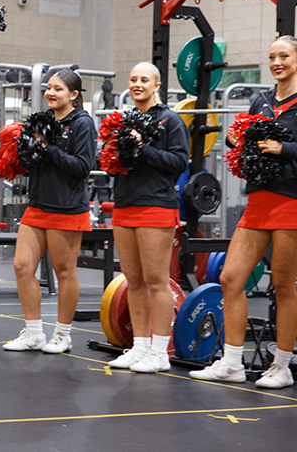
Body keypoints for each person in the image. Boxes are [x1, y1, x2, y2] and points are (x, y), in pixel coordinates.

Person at [189, 35, 297, 389]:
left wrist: (283, 148)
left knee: (283, 286)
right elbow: (246, 139)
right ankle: (232, 362)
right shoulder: (261, 100)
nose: (277, 62)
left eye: (284, 55)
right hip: (258, 201)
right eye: (271, 57)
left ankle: (281, 366)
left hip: (290, 202)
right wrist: (240, 141)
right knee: (230, 278)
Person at [3, 70, 96, 354]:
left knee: (64, 272)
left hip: (67, 207)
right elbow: (38, 161)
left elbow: (82, 167)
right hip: (38, 204)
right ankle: (33, 333)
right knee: (22, 266)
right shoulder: (42, 121)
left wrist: (47, 148)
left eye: (58, 89)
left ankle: (62, 335)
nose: (51, 93)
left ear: (74, 94)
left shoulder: (82, 123)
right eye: (49, 88)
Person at [106, 63, 189, 373]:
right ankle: (139, 346)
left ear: (157, 85)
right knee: (135, 280)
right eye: (133, 79)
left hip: (156, 205)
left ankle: (159, 350)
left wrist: (144, 148)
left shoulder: (170, 120)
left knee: (156, 281)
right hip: (125, 204)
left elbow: (179, 162)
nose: (137, 84)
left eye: (144, 80)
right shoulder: (123, 121)